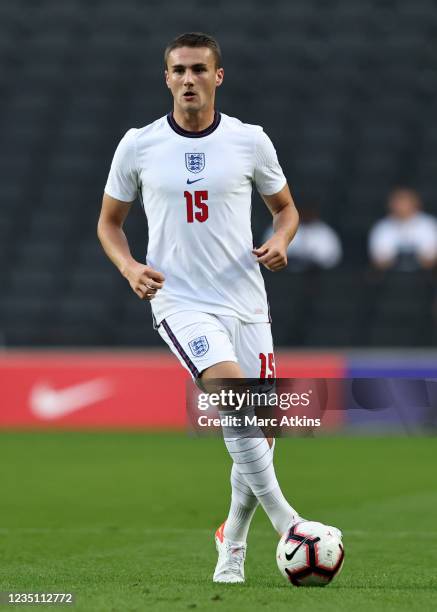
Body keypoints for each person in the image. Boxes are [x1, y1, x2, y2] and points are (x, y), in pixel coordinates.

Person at [98, 32, 309, 584]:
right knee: (233, 395)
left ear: (218, 77)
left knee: (259, 436)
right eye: (178, 70)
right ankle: (290, 523)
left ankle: (232, 539)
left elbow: (285, 210)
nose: (187, 79)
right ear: (166, 78)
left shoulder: (250, 140)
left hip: (246, 302)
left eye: (198, 69)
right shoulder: (138, 145)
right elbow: (109, 223)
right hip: (180, 299)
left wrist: (281, 240)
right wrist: (130, 268)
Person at [368, 188, 437, 271]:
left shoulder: (430, 225)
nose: (401, 206)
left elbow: (431, 259)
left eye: (405, 202)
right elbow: (380, 261)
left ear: (415, 203)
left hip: (425, 277)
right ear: (391, 205)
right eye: (398, 202)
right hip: (391, 278)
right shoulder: (382, 227)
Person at [262, 204, 342, 270]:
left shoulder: (326, 232)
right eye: (304, 209)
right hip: (286, 276)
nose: (307, 212)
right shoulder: (278, 227)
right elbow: (266, 254)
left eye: (310, 210)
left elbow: (334, 258)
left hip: (318, 278)